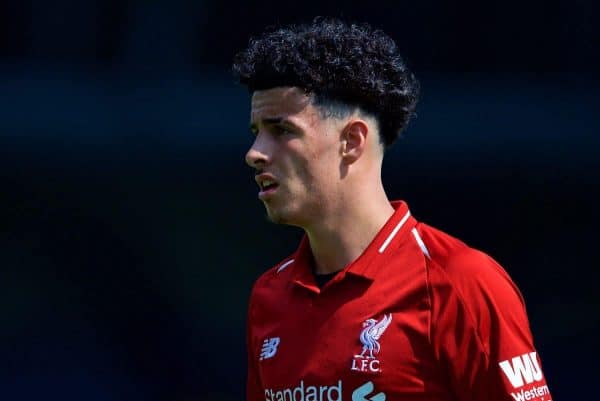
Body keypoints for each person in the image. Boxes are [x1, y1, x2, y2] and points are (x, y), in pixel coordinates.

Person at [233, 18, 552, 401]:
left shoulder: (461, 283)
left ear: (351, 140)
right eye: (257, 134)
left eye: (282, 131)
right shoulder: (269, 297)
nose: (255, 154)